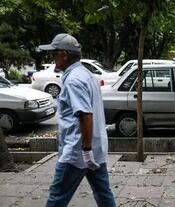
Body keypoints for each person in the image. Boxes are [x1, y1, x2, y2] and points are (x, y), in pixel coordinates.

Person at [39, 33, 116, 207]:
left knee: (57, 195)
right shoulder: (86, 75)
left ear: (64, 54)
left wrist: (86, 150)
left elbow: (85, 115)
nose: (53, 59)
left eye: (54, 54)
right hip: (95, 148)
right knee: (103, 193)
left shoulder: (74, 80)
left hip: (77, 151)